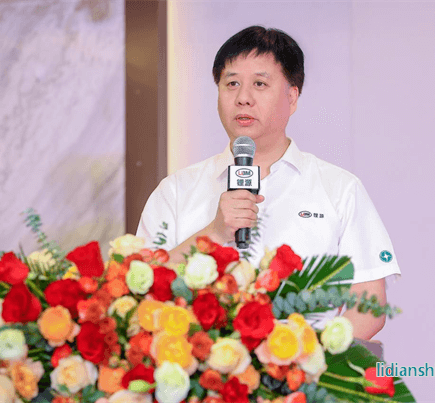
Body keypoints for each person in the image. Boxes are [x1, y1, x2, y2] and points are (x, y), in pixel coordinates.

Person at [137, 26, 401, 340]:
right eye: (231, 83)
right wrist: (214, 233)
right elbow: (138, 293)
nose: (243, 98)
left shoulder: (339, 189)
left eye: (260, 84)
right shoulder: (176, 191)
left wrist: (304, 360)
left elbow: (369, 307)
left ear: (292, 97)